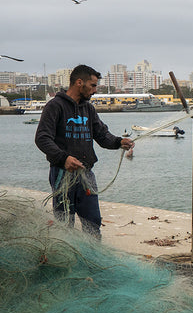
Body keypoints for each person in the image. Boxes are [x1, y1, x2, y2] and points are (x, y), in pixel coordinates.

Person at [35, 64, 134, 237]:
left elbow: (103, 136)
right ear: (79, 82)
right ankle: (65, 260)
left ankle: (92, 260)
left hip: (86, 175)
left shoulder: (88, 109)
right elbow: (42, 138)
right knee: (64, 223)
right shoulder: (55, 106)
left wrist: (119, 142)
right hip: (62, 173)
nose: (95, 90)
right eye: (93, 85)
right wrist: (64, 158)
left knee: (92, 222)